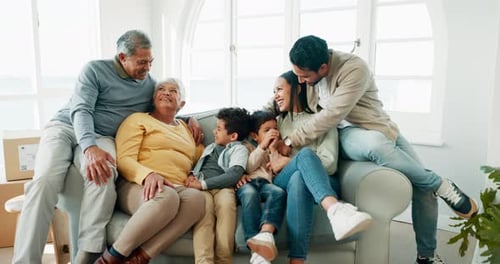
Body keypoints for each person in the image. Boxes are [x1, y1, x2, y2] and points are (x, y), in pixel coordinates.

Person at [284, 35, 478, 264]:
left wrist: (291, 140)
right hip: (345, 135)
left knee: (422, 186)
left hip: (378, 128)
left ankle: (426, 256)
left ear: (323, 67)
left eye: (305, 76)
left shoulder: (353, 69)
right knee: (379, 146)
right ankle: (442, 185)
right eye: (297, 74)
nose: (301, 81)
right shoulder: (306, 73)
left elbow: (333, 113)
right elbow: (283, 89)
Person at [12, 29, 158, 264]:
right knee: (44, 181)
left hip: (103, 137)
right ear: (122, 57)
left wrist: (187, 120)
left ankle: (86, 257)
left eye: (151, 61)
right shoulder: (95, 70)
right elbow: (81, 110)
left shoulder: (150, 85)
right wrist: (89, 148)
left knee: (104, 173)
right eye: (142, 62)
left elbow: (165, 108)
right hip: (65, 127)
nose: (148, 68)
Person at [95, 78, 206, 264]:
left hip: (175, 186)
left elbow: (202, 158)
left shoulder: (187, 130)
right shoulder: (138, 120)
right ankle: (110, 258)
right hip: (137, 184)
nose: (166, 92)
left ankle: (140, 258)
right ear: (153, 98)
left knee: (197, 199)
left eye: (173, 91)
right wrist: (148, 175)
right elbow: (124, 159)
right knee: (167, 196)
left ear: (182, 103)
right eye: (161, 89)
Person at [268, 70, 373, 264]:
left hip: (321, 181)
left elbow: (330, 164)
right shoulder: (277, 121)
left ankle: (296, 261)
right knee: (303, 161)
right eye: (274, 91)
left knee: (300, 176)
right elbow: (272, 163)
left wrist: (291, 161)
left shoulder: (322, 120)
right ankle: (335, 210)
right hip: (282, 181)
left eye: (280, 89)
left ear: (298, 88)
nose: (275, 95)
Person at [184, 107, 252, 264]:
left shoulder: (239, 149)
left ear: (233, 136)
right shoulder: (209, 147)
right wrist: (191, 175)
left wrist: (202, 184)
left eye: (219, 129)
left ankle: (224, 260)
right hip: (202, 189)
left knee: (227, 207)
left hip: (223, 188)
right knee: (204, 213)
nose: (214, 131)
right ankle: (204, 261)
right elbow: (197, 167)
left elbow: (234, 174)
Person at [234, 110, 288, 264]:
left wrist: (274, 151)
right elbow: (249, 167)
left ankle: (265, 235)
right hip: (247, 183)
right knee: (250, 195)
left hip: (266, 185)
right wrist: (263, 146)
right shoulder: (247, 146)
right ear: (254, 136)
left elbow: (277, 172)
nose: (273, 133)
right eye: (267, 130)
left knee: (278, 192)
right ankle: (255, 248)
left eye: (275, 129)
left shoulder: (277, 149)